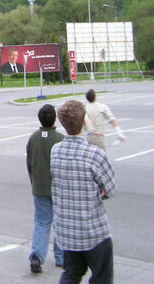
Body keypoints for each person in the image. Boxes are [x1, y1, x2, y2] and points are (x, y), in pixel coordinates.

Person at [51, 100, 116, 284]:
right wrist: (101, 190)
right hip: (93, 231)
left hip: (67, 230)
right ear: (84, 122)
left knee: (71, 273)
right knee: (101, 277)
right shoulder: (94, 154)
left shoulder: (56, 151)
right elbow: (111, 188)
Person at [26, 104, 65, 273]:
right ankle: (61, 257)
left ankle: (37, 256)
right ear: (55, 119)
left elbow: (30, 164)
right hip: (58, 189)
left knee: (42, 222)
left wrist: (34, 182)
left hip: (39, 187)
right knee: (60, 222)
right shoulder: (61, 139)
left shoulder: (33, 138)